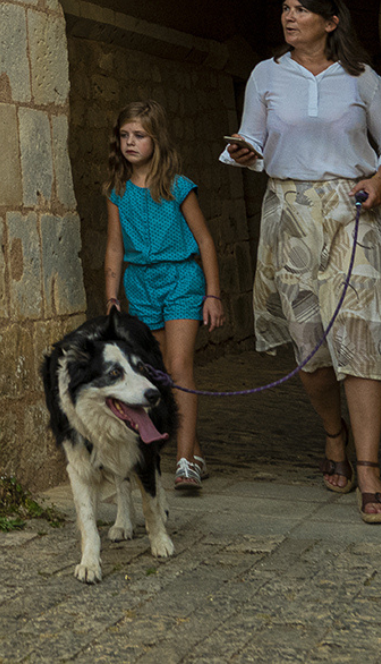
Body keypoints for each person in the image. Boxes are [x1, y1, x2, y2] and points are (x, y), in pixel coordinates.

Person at [221, 0, 381, 525]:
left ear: (330, 22)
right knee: (311, 351)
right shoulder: (266, 74)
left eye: (302, 11)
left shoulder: (361, 78)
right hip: (290, 215)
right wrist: (244, 151)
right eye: (285, 8)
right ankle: (334, 434)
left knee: (360, 337)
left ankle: (369, 465)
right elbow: (254, 143)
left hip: (356, 211)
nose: (290, 18)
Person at [103, 99, 225, 494]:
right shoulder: (117, 191)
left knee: (178, 365)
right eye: (124, 136)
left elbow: (205, 239)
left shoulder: (177, 186)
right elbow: (115, 247)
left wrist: (213, 294)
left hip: (181, 280)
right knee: (158, 374)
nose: (130, 142)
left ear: (156, 139)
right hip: (141, 286)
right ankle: (195, 447)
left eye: (139, 136)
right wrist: (112, 295)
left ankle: (185, 461)